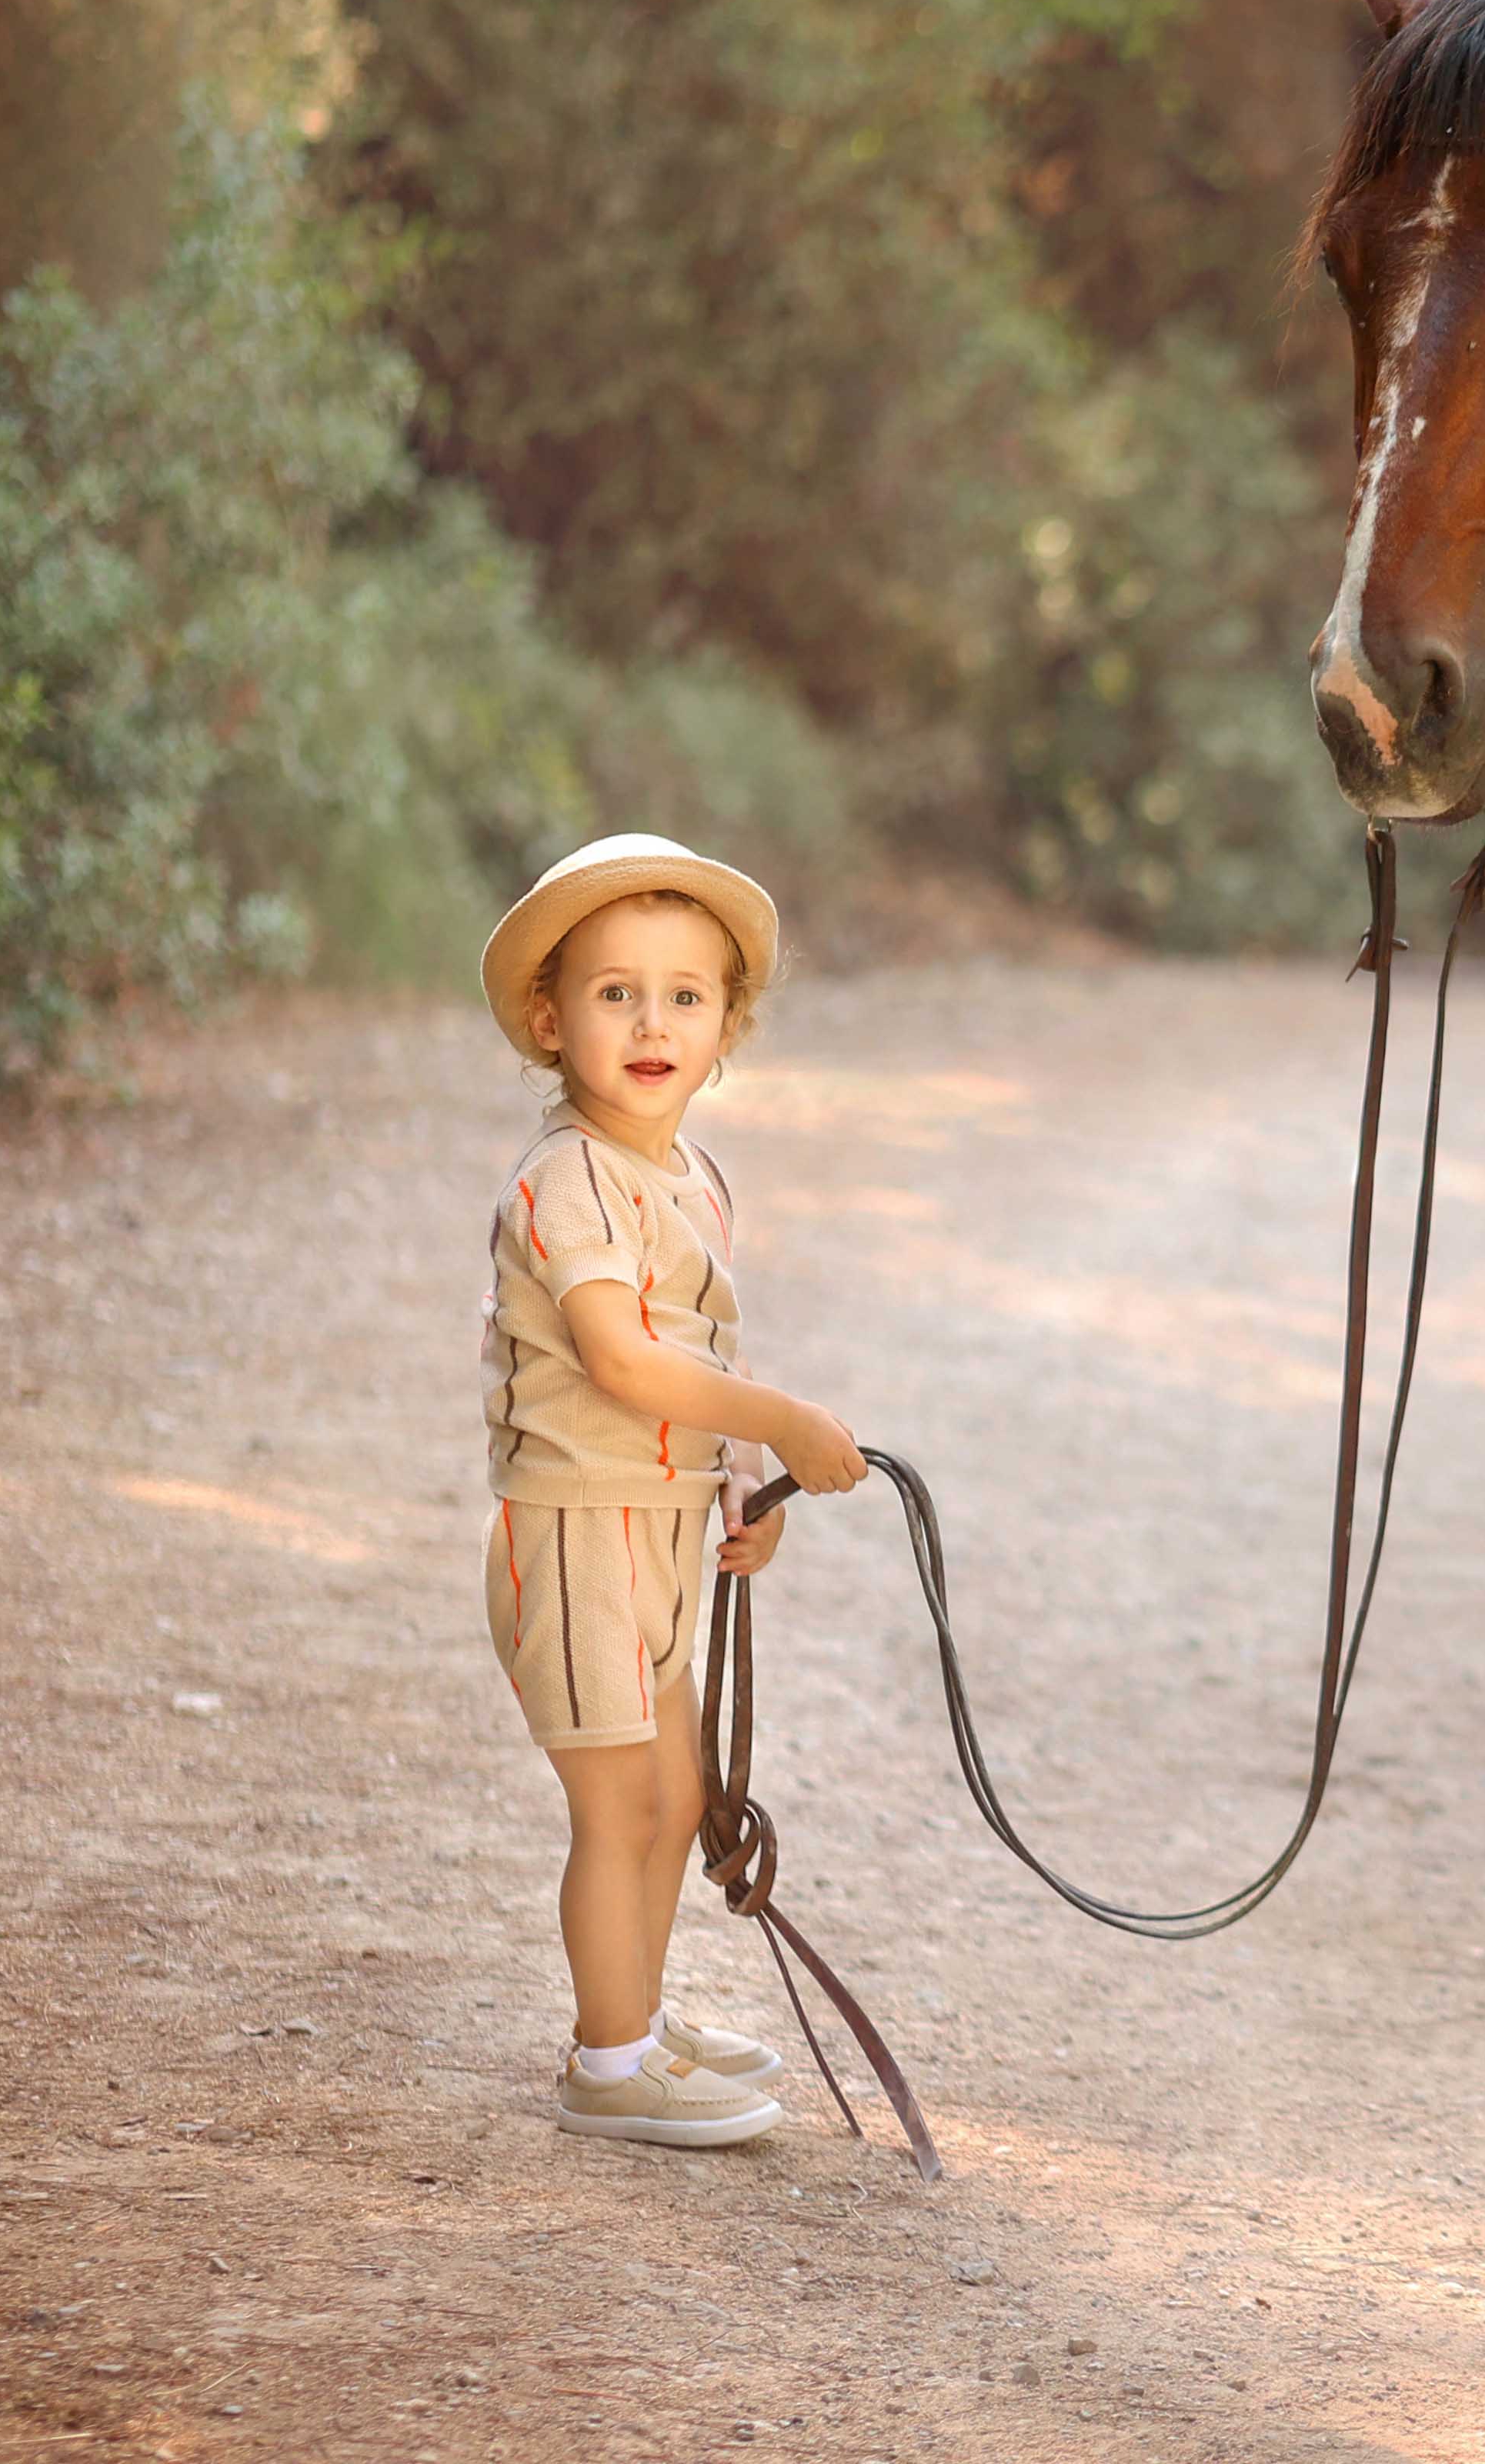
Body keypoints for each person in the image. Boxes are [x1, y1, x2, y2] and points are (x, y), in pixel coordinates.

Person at [474, 832, 864, 2146]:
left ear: (726, 1026)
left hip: (663, 1527)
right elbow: (624, 1357)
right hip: (580, 1528)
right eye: (615, 993)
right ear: (551, 1017)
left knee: (682, 1794)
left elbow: (705, 1350)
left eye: (686, 997)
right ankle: (607, 2059)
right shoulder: (567, 1177)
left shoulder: (693, 1176)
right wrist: (789, 1423)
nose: (653, 1024)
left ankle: (633, 2011)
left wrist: (745, 1483)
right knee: (618, 1802)